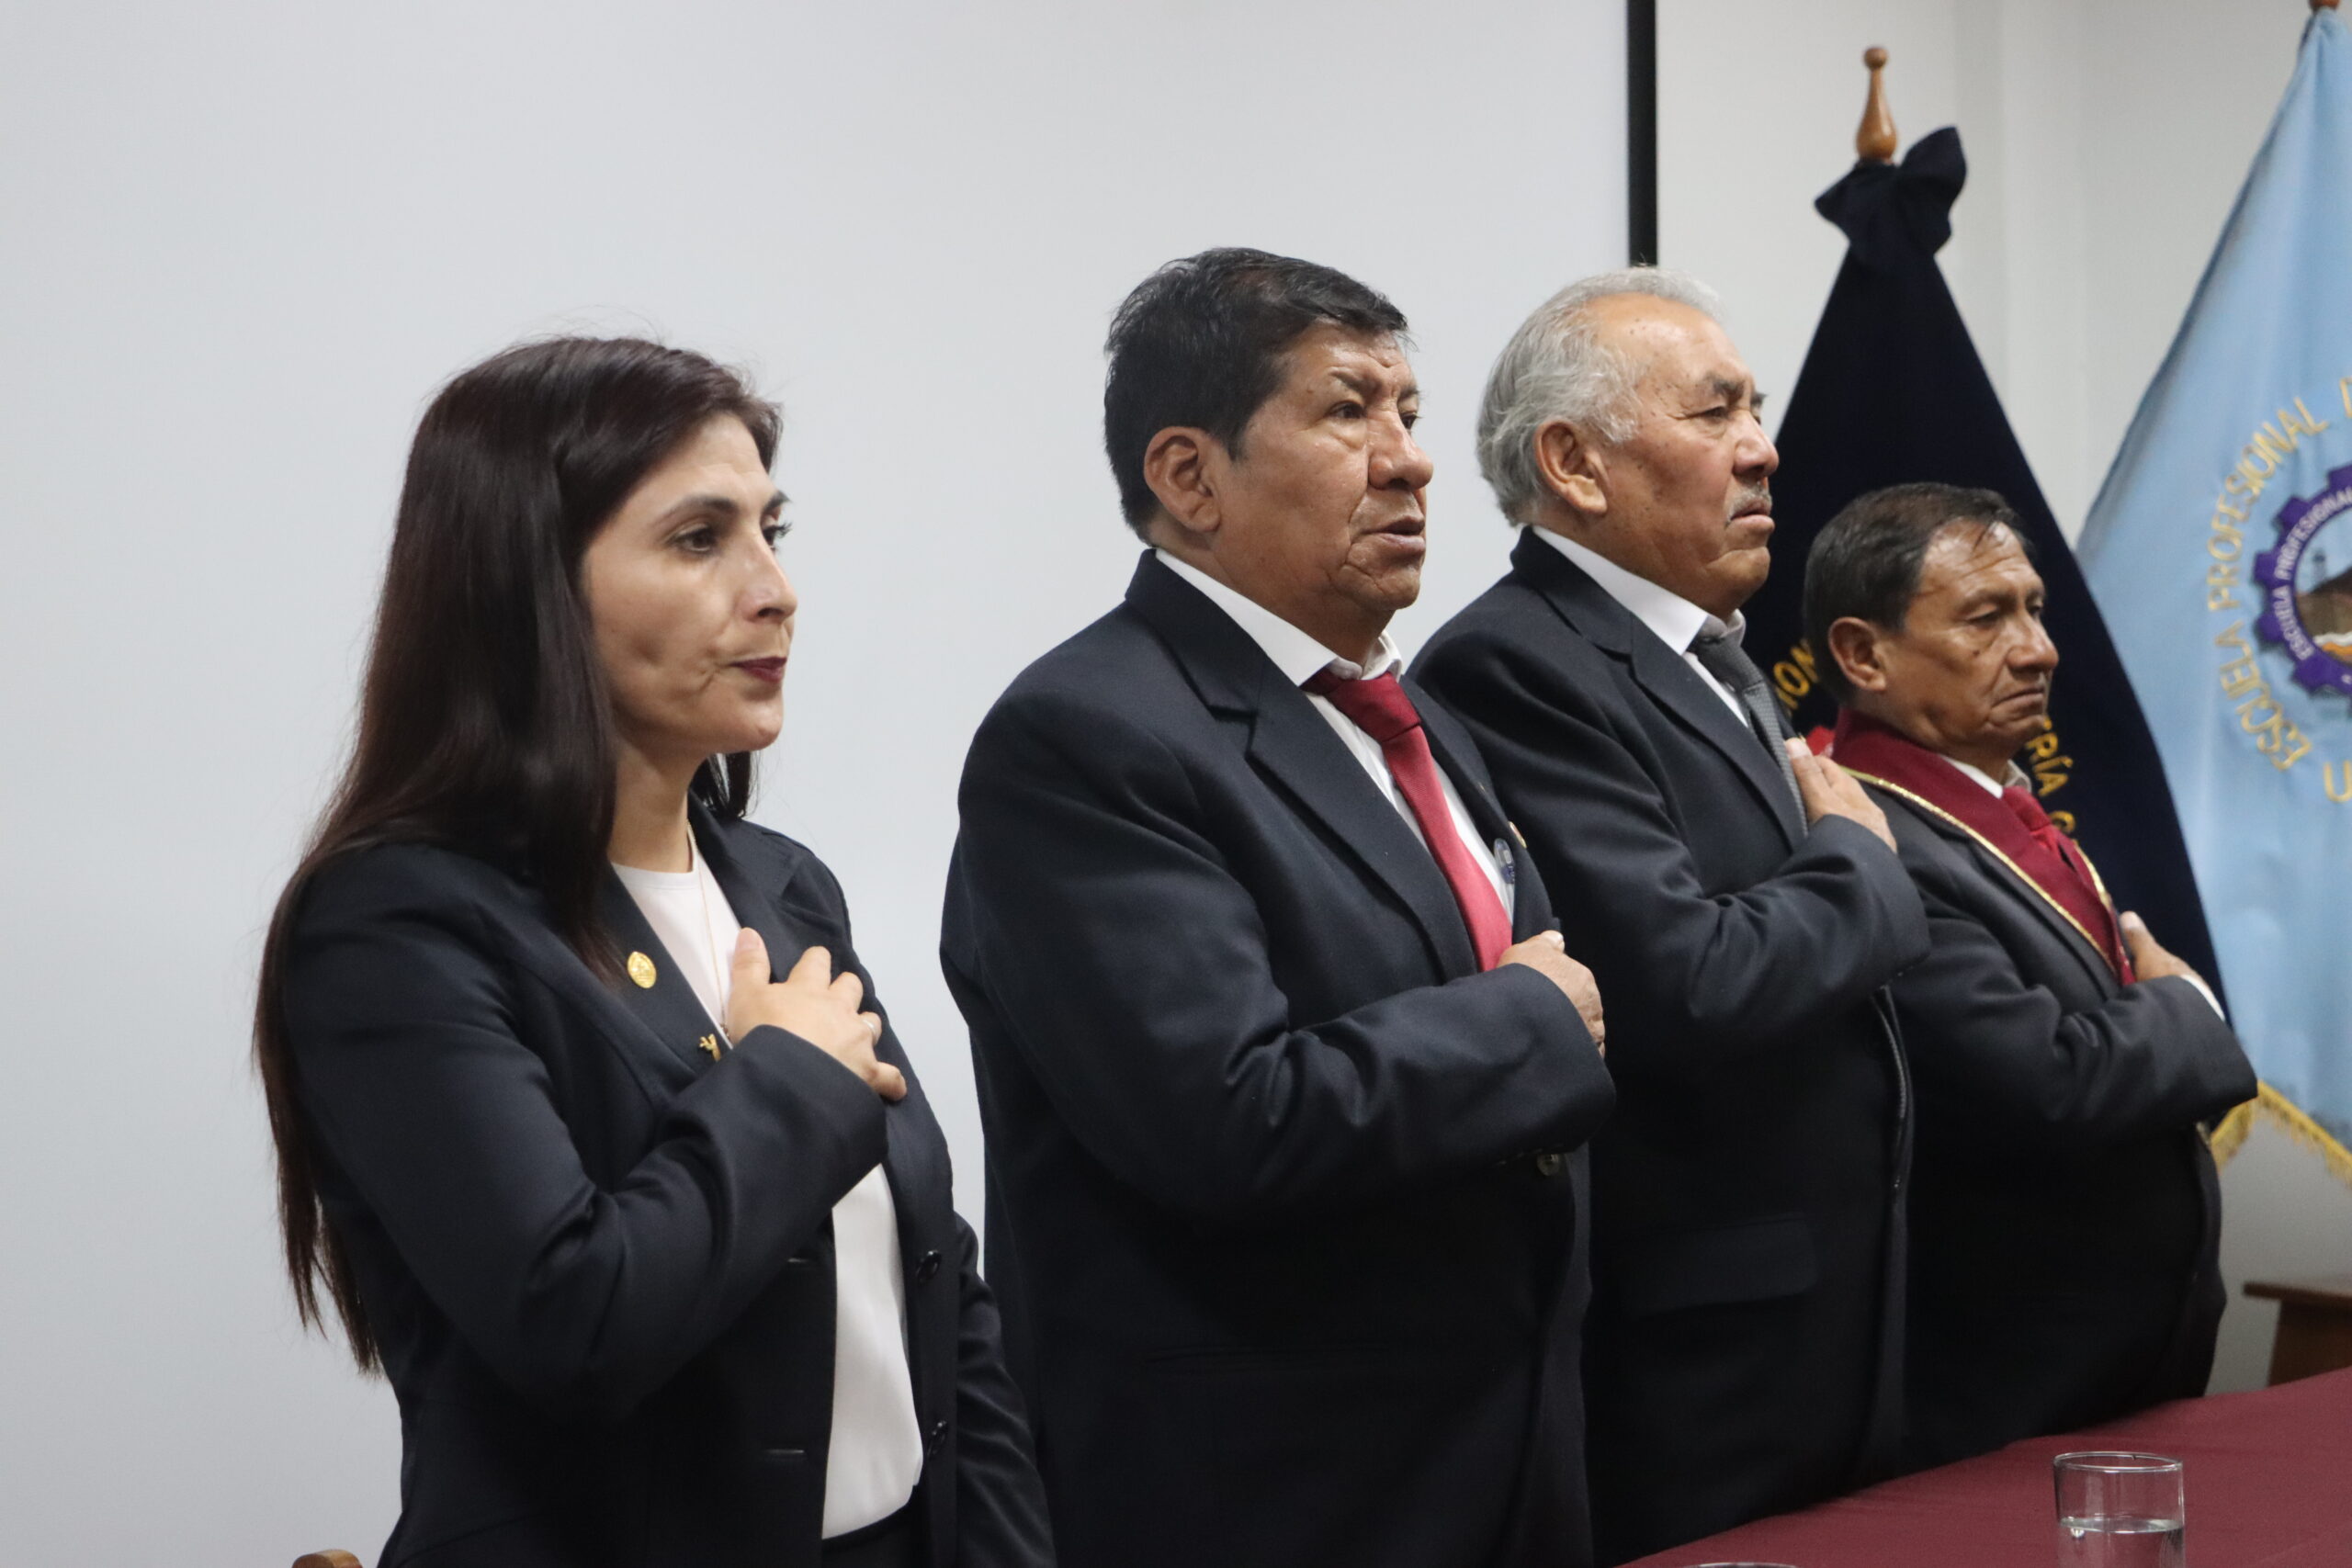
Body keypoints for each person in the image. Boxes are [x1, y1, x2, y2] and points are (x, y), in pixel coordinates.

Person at [254, 338, 1052, 1568]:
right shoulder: (396, 924)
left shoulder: (784, 884)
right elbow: (577, 1319)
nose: (775, 589)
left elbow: (937, 1283)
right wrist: (791, 1078)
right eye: (697, 539)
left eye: (772, 530)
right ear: (526, 587)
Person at [941, 249, 1615, 1568]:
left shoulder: (1411, 719)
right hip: (1273, 1492)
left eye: (1409, 411)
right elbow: (1225, 1117)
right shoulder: (1086, 734)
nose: (1411, 460)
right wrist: (1532, 1021)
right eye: (1348, 410)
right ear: (1189, 477)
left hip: (1507, 1454)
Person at [1414, 267, 1930, 1563]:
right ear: (1573, 463)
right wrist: (1865, 868)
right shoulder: (1515, 662)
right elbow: (1677, 981)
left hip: (1833, 1316)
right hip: (1693, 1352)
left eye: (1754, 407)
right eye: (1715, 412)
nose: (1762, 447)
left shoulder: (1716, 655)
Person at [1804, 481, 2256, 1468]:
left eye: (2035, 610)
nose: (2039, 649)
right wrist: (2187, 1005)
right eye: (1986, 618)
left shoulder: (1995, 811)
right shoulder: (1873, 845)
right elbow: (2047, 1080)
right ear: (1863, 655)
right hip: (2000, 1389)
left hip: (2114, 1371)